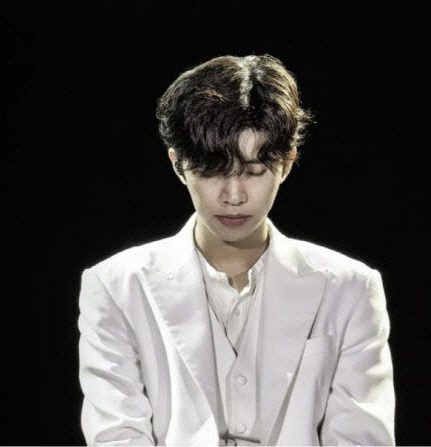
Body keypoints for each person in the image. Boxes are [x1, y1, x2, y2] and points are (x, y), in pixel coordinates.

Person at [76, 54, 395, 446]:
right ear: (178, 164)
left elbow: (362, 438)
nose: (233, 196)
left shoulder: (350, 288)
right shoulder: (116, 286)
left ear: (287, 163)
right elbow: (116, 435)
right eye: (211, 171)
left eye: (254, 171)